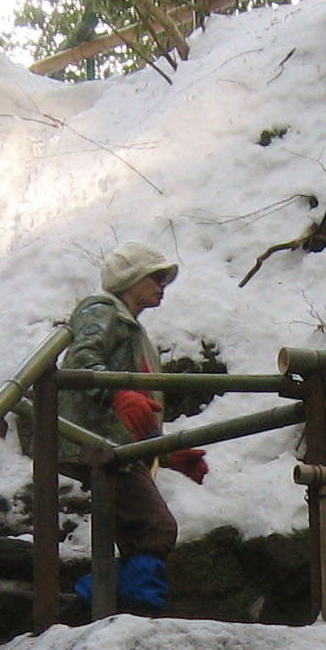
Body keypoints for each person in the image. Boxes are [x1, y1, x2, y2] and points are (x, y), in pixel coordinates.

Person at [60, 242, 207, 616]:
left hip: (117, 444)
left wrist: (166, 453)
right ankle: (137, 609)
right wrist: (118, 393)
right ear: (131, 279)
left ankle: (89, 607)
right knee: (155, 527)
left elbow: (137, 412)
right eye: (155, 277)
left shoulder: (132, 329)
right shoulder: (102, 311)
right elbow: (82, 359)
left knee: (138, 534)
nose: (162, 285)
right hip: (102, 444)